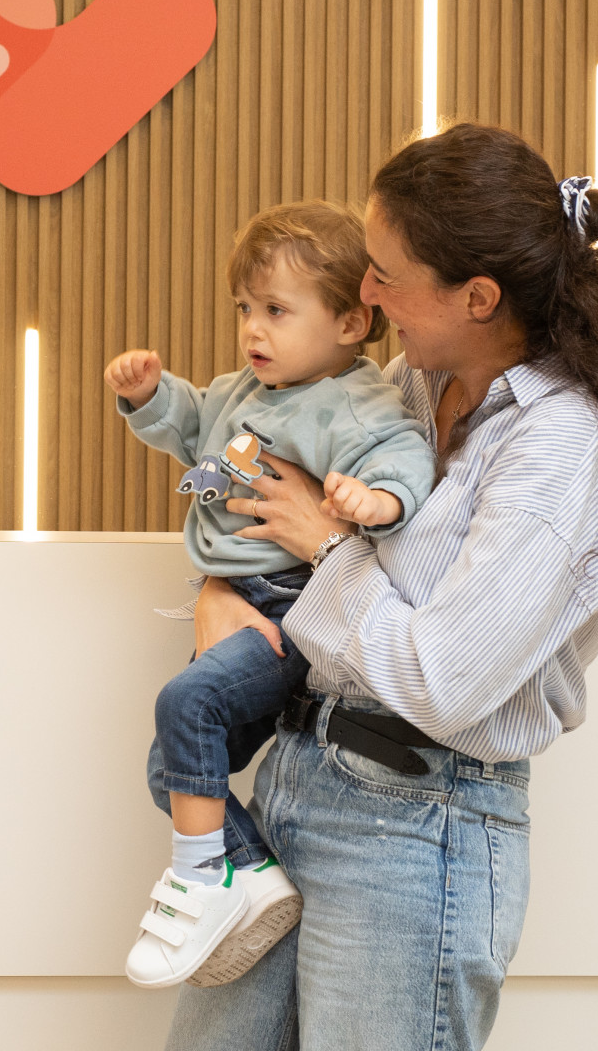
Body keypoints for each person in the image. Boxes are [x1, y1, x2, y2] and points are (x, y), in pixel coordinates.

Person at [163, 124, 598, 1051]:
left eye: (385, 275)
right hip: (294, 780)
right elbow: (262, 503)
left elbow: (444, 679)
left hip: (420, 828)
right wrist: (220, 590)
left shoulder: (562, 444)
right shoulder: (404, 388)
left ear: (477, 297)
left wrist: (326, 547)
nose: (366, 296)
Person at [105, 203, 435, 991]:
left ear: (351, 322)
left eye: (277, 311)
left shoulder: (350, 402)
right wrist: (149, 396)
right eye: (245, 309)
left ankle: (203, 879)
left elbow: (403, 456)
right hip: (240, 592)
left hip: (293, 604)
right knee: (172, 768)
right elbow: (190, 424)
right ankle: (251, 873)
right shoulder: (241, 391)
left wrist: (377, 500)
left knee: (186, 706)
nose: (253, 329)